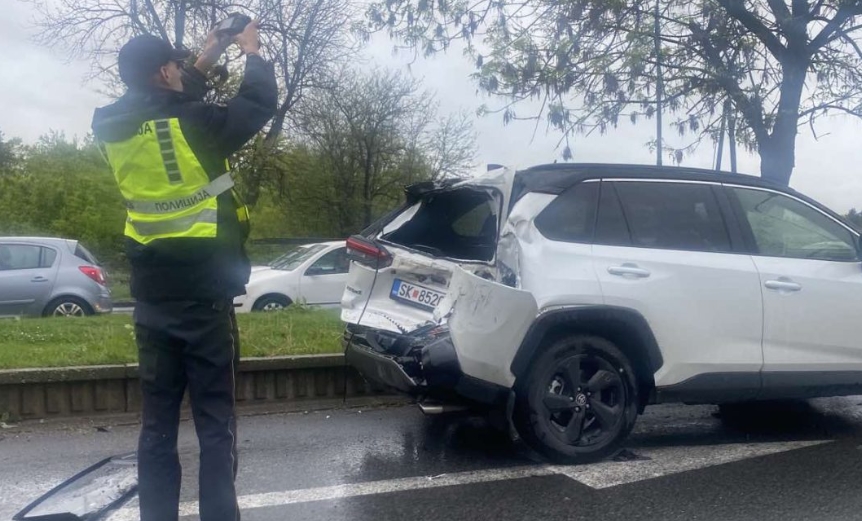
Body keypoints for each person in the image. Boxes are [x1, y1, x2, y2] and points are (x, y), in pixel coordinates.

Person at [91, 21, 277, 521]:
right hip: (204, 299)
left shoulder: (110, 125)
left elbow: (165, 105)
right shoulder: (196, 124)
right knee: (215, 425)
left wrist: (211, 48)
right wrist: (252, 52)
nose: (179, 71)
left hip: (151, 299)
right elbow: (257, 104)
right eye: (174, 65)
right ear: (162, 72)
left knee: (157, 426)